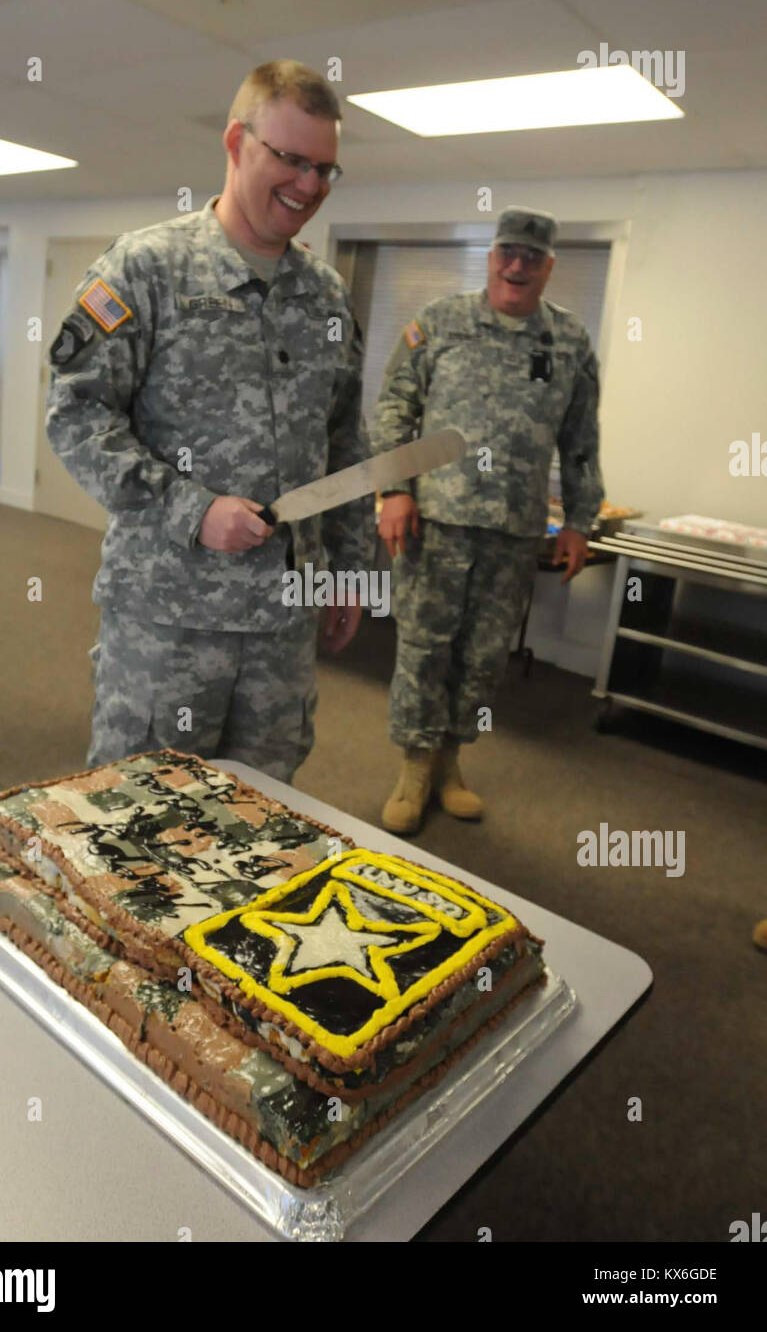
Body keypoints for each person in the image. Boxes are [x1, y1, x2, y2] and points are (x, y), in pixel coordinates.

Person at [45, 61, 374, 782]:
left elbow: (345, 439)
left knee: (262, 821)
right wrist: (192, 510)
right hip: (169, 622)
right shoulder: (145, 269)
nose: (309, 186)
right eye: (289, 159)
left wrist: (350, 569)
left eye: (325, 169)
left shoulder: (324, 295)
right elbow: (76, 414)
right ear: (235, 141)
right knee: (138, 821)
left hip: (283, 626)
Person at [372, 206, 603, 832]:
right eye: (508, 252)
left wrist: (580, 520)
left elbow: (581, 439)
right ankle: (414, 768)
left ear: (550, 266)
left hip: (514, 529)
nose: (517, 265)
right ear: (491, 256)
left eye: (532, 257)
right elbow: (395, 406)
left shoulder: (570, 342)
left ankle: (451, 763)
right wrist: (395, 489)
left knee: (484, 656)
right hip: (437, 522)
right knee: (424, 647)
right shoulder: (441, 323)